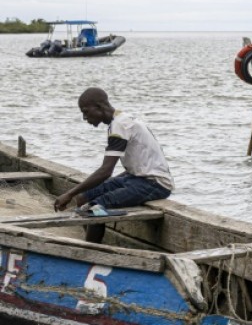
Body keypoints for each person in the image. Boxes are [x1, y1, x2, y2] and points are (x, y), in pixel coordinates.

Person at [53, 88, 174, 243]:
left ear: (99, 107)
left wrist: (68, 194)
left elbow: (105, 171)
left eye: (86, 112)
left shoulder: (120, 125)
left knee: (94, 209)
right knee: (83, 197)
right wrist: (75, 194)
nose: (84, 118)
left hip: (155, 183)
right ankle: (92, 241)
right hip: (134, 177)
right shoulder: (118, 121)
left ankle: (90, 252)